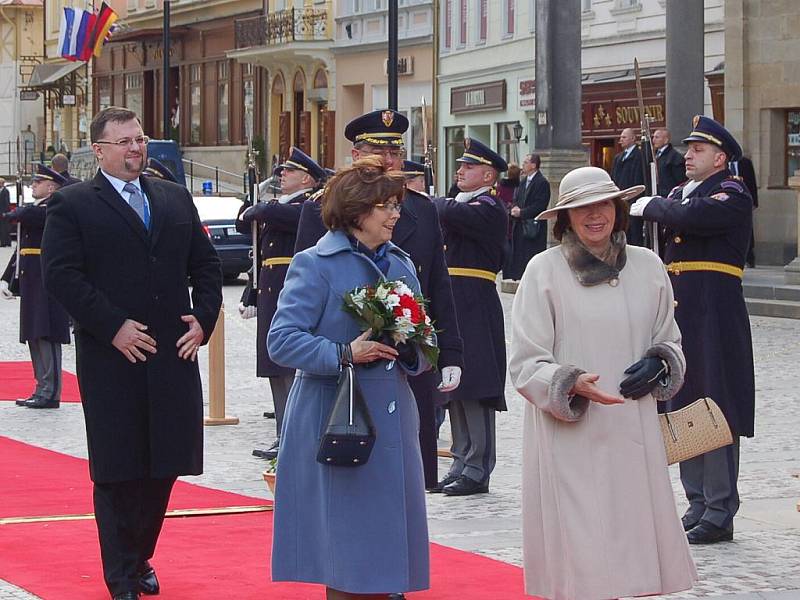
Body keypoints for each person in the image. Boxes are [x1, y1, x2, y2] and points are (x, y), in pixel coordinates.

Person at [41, 106, 222, 600]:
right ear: (99, 150)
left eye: (139, 140)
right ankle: (121, 574)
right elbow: (61, 275)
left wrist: (203, 320)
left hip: (170, 355)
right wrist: (112, 326)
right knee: (120, 468)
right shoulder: (75, 204)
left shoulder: (173, 197)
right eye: (123, 142)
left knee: (165, 464)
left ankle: (139, 554)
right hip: (112, 358)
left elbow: (205, 268)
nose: (135, 149)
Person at [508, 165, 697, 599]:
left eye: (603, 205)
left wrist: (661, 363)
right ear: (565, 218)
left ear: (618, 209)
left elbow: (669, 337)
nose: (595, 216)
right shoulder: (544, 270)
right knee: (583, 556)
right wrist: (569, 382)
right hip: (570, 433)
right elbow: (525, 362)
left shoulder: (649, 266)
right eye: (582, 208)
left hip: (632, 430)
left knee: (630, 547)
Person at [267, 157, 432, 599]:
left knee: (388, 547)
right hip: (338, 419)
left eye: (397, 205)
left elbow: (418, 341)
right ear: (358, 211)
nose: (396, 214)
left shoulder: (402, 264)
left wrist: (416, 346)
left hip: (393, 415)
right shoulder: (314, 264)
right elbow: (281, 341)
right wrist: (343, 352)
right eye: (387, 207)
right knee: (349, 554)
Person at [294, 109, 464, 492]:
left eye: (396, 153)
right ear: (355, 156)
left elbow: (437, 284)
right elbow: (306, 291)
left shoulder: (421, 209)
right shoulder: (322, 207)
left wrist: (450, 352)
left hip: (405, 367)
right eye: (378, 152)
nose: (389, 161)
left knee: (407, 478)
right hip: (343, 379)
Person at [630, 115, 755, 545]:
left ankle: (720, 509)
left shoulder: (732, 193)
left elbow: (697, 217)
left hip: (714, 313)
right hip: (683, 313)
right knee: (683, 401)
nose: (688, 156)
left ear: (720, 158)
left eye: (698, 150)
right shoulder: (681, 194)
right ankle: (697, 502)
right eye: (688, 149)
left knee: (715, 403)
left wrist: (654, 205)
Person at [430, 138, 508, 496]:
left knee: (475, 386)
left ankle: (478, 467)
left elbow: (449, 213)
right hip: (454, 302)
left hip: (475, 303)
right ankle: (461, 459)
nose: (460, 171)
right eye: (460, 166)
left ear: (488, 174)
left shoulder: (489, 206)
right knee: (453, 386)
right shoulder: (459, 204)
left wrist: (428, 199)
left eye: (469, 167)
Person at [237, 146, 326, 461]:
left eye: (288, 171)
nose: (282, 175)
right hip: (270, 289)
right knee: (274, 367)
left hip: (289, 286)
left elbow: (277, 216)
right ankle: (282, 434)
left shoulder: (307, 205)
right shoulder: (277, 206)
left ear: (306, 178)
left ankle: (294, 434)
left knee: (289, 365)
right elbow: (244, 225)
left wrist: (260, 209)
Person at [0, 165, 71, 408]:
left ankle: (51, 391)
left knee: (47, 333)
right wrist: (9, 276)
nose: (33, 186)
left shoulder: (55, 206)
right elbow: (22, 245)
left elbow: (27, 215)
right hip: (32, 280)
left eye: (38, 182)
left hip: (47, 281)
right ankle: (41, 387)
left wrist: (15, 213)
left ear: (51, 187)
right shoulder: (37, 208)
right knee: (34, 334)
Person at [505, 153, 550, 281]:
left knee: (531, 255)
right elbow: (515, 198)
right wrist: (513, 209)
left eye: (525, 162)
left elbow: (540, 205)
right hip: (519, 225)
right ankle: (519, 278)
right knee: (519, 256)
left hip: (533, 227)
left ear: (533, 165)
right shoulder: (523, 181)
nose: (522, 165)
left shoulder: (542, 182)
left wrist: (522, 212)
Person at [610, 127, 647, 246]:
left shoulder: (639, 156)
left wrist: (635, 198)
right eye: (620, 137)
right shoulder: (618, 158)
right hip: (621, 200)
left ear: (632, 138)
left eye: (624, 137)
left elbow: (640, 179)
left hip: (633, 200)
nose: (621, 140)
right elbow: (614, 178)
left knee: (634, 232)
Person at [734, 155, 759, 267]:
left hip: (743, 201)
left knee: (747, 229)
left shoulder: (744, 162)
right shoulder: (721, 165)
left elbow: (751, 183)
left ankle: (749, 258)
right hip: (727, 201)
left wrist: (754, 202)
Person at [652, 128, 686, 197]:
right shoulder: (654, 154)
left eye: (657, 137)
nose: (653, 140)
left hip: (669, 196)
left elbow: (681, 180)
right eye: (653, 137)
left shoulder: (674, 157)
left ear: (666, 140)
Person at [0, 178, 11, 246]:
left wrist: (5, 212)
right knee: (2, 227)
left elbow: (7, 202)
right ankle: (5, 241)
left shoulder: (5, 191)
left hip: (4, 211)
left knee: (4, 227)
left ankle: (5, 242)